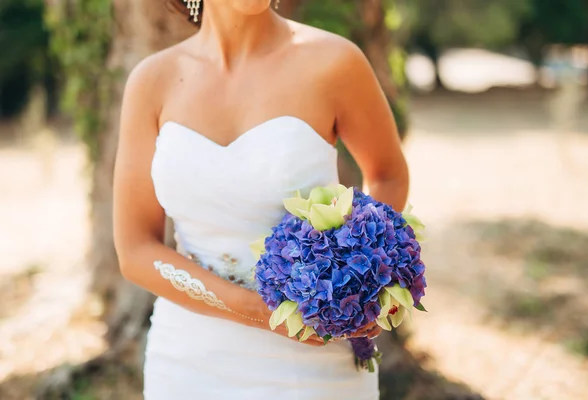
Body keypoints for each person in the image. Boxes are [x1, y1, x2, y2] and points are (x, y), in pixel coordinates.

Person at [113, 0, 409, 398]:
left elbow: (387, 175)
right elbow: (135, 250)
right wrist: (258, 311)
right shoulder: (152, 81)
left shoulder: (335, 62)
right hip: (188, 362)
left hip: (315, 364)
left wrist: (367, 269)